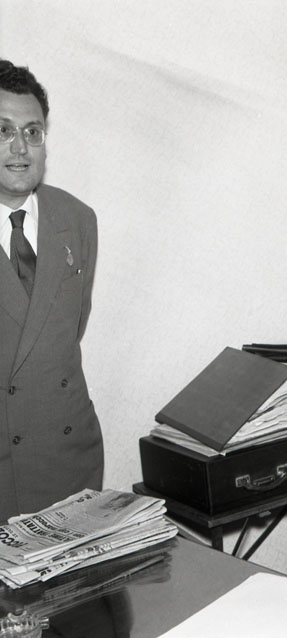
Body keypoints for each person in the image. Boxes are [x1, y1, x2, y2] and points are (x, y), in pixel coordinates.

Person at [0, 59, 103, 523]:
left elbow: (66, 333)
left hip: (71, 463)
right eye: (3, 131)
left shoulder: (77, 220)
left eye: (32, 132)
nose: (20, 147)